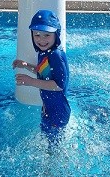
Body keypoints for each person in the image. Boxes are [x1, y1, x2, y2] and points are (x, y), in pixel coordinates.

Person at [12, 10, 71, 145]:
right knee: (46, 137)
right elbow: (44, 73)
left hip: (58, 112)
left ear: (56, 35)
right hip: (48, 108)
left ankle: (54, 164)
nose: (41, 39)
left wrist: (31, 81)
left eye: (46, 35)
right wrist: (26, 65)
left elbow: (58, 85)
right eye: (37, 35)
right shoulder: (44, 52)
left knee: (54, 144)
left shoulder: (56, 55)